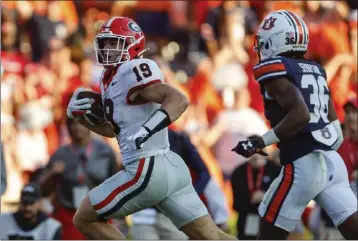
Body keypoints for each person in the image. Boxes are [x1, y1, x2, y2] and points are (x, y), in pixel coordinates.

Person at [66, 17, 236, 240]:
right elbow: (114, 131)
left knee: (84, 218)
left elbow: (178, 99)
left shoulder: (132, 69)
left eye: (114, 43)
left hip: (144, 169)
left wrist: (147, 130)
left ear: (133, 45)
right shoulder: (110, 79)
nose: (107, 48)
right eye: (105, 42)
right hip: (170, 167)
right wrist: (82, 119)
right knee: (213, 236)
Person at [231, 10, 358, 240]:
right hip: (332, 162)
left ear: (276, 39)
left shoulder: (274, 70)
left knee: (267, 233)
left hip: (303, 166)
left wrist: (261, 141)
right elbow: (334, 127)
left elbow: (300, 115)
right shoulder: (316, 69)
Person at [130, 129, 230, 239]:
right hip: (143, 214)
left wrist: (188, 194)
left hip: (171, 214)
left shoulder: (178, 139)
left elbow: (204, 173)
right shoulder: (135, 139)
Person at [39, 117, 118, 240]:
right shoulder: (60, 154)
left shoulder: (105, 151)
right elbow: (43, 190)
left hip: (100, 215)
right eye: (73, 125)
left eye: (81, 124)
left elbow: (116, 182)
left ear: (89, 125)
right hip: (70, 216)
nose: (76, 128)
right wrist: (52, 173)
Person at [231, 135, 281, 240]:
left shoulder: (276, 171)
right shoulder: (239, 173)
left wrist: (266, 196)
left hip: (270, 220)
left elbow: (283, 199)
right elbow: (236, 204)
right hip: (247, 220)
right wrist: (251, 200)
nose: (255, 155)